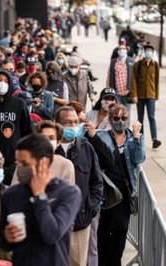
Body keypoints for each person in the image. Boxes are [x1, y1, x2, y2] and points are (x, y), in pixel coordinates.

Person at [0, 133, 82, 265]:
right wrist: (7, 237)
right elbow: (4, 244)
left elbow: (52, 235)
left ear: (45, 162)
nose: (19, 168)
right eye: (18, 163)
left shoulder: (68, 193)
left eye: (25, 163)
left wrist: (39, 196)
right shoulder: (10, 195)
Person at [96, 105, 145, 266]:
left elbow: (138, 159)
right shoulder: (102, 137)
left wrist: (137, 136)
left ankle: (114, 261)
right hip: (105, 190)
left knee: (121, 228)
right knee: (103, 229)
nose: (120, 122)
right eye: (116, 118)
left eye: (123, 118)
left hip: (124, 192)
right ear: (110, 119)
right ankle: (102, 261)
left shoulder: (133, 137)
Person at [54, 106, 103, 266]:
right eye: (68, 122)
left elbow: (96, 183)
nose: (73, 126)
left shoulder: (86, 148)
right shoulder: (50, 150)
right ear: (57, 124)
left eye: (76, 122)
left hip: (80, 222)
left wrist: (92, 209)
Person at [12, 121, 75, 185]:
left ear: (58, 142)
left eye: (51, 138)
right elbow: (14, 190)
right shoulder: (25, 162)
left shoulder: (66, 165)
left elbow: (69, 192)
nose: (47, 141)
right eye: (43, 138)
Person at [130, 43, 161, 149]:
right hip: (140, 96)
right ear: (144, 52)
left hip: (151, 95)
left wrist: (156, 95)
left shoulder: (155, 65)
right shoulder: (138, 64)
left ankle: (154, 139)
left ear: (152, 53)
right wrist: (134, 95)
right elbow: (133, 80)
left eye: (150, 51)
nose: (148, 52)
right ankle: (140, 138)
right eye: (147, 50)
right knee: (140, 118)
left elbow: (157, 81)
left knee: (152, 117)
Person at [106, 43, 134, 122]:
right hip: (117, 93)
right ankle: (118, 129)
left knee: (127, 114)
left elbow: (136, 77)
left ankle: (127, 131)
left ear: (126, 50)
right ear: (117, 51)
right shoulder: (113, 62)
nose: (122, 50)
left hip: (128, 93)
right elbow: (109, 76)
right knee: (117, 113)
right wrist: (108, 90)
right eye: (120, 49)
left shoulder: (131, 61)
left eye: (123, 49)